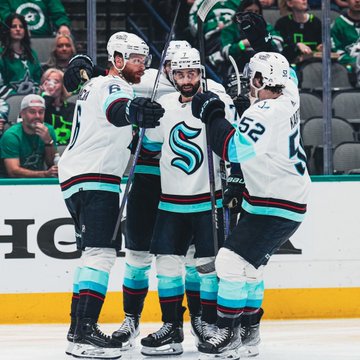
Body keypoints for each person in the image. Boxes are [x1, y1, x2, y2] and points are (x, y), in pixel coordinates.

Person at [190, 51, 310, 358]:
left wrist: (213, 113)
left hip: (275, 203)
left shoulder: (264, 112)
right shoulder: (290, 96)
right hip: (282, 199)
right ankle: (249, 333)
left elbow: (232, 149)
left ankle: (228, 334)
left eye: (251, 78)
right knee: (250, 269)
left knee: (229, 262)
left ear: (260, 80)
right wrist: (262, 42)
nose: (246, 84)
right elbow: (289, 74)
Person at [58, 31, 164, 359]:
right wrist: (134, 114)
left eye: (144, 60)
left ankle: (78, 331)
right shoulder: (114, 85)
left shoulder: (93, 84)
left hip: (78, 177)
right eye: (135, 59)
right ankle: (86, 332)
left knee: (92, 254)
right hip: (96, 177)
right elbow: (117, 110)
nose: (141, 65)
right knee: (101, 255)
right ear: (117, 60)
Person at [139, 48, 236, 356]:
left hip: (208, 199)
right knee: (166, 265)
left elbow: (229, 146)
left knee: (208, 266)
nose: (186, 80)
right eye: (180, 74)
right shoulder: (163, 106)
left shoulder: (215, 103)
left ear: (200, 73)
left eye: (191, 73)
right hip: (171, 201)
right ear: (171, 75)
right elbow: (151, 145)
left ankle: (206, 323)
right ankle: (171, 326)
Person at [0, 94, 58, 178]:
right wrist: (44, 174)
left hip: (39, 182)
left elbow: (51, 163)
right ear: (22, 114)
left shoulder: (48, 130)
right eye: (32, 112)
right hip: (11, 184)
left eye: (41, 112)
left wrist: (48, 142)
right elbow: (13, 171)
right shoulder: (12, 135)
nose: (37, 116)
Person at [221, 0, 283, 76]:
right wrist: (242, 44)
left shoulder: (266, 26)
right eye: (249, 11)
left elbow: (279, 43)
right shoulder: (231, 28)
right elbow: (225, 53)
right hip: (238, 72)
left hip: (266, 70)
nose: (252, 14)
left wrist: (261, 42)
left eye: (256, 11)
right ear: (241, 11)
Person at [0, 13, 43, 99]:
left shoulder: (31, 54)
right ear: (7, 29)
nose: (18, 29)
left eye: (21, 26)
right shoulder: (1, 54)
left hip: (32, 100)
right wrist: (16, 97)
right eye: (14, 26)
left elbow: (38, 79)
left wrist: (34, 95)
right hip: (9, 99)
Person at [275, 0, 322, 65]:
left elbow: (321, 44)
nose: (304, 0)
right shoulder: (282, 23)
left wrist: (322, 47)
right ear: (290, 3)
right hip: (290, 65)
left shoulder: (316, 22)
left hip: (314, 65)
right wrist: (297, 45)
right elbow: (280, 50)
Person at [40, 68, 75, 148]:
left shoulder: (72, 108)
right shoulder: (38, 108)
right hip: (48, 150)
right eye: (48, 81)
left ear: (63, 86)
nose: (51, 84)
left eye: (56, 81)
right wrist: (47, 97)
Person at [0, 0, 71, 38]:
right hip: (16, 38)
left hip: (44, 38)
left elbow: (58, 12)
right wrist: (21, 29)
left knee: (67, 37)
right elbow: (6, 17)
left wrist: (63, 25)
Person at [331, 0, 360, 73]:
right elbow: (336, 53)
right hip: (348, 69)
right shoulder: (338, 24)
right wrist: (356, 60)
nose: (357, 1)